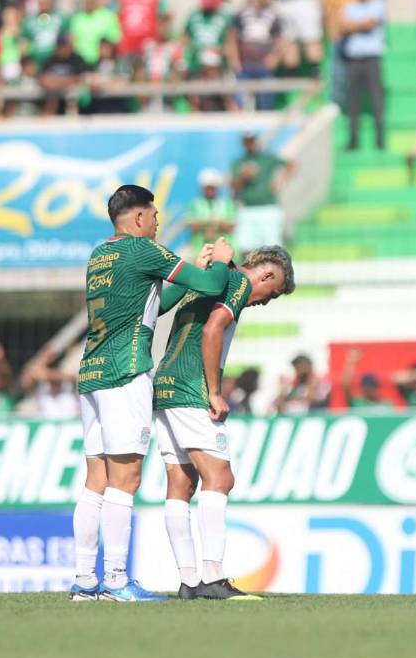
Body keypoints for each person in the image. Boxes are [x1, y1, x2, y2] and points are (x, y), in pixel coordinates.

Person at [72, 184, 234, 603]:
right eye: (156, 215)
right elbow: (212, 285)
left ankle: (85, 582)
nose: (159, 222)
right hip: (126, 373)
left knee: (95, 482)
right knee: (125, 480)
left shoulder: (100, 254)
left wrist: (193, 270)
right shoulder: (144, 250)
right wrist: (220, 261)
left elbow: (151, 305)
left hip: (90, 372)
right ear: (139, 218)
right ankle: (117, 581)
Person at [155, 244, 294, 601]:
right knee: (220, 478)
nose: (264, 302)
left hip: (165, 386)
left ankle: (188, 581)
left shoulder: (208, 279)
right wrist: (215, 392)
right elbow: (212, 330)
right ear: (265, 275)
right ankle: (213, 577)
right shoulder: (238, 283)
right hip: (191, 389)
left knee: (181, 484)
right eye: (271, 294)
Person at [339, 0, 385, 152]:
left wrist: (354, 25)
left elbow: (369, 24)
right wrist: (359, 25)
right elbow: (342, 27)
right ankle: (353, 139)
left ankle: (380, 139)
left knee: (376, 99)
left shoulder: (378, 4)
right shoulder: (350, 7)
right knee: (353, 101)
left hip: (372, 57)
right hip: (355, 58)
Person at [230, 131, 294, 254]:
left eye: (252, 141)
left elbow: (291, 164)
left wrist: (281, 181)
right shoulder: (239, 162)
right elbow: (234, 187)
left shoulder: (267, 158)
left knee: (272, 249)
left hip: (268, 207)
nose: (250, 144)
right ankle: (248, 273)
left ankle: (272, 273)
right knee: (245, 248)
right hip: (248, 208)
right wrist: (243, 177)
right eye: (247, 142)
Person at [230, 0, 283, 111]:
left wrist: (274, 58)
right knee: (241, 101)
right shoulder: (242, 14)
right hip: (245, 66)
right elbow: (232, 38)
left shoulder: (273, 16)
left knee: (266, 101)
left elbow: (280, 40)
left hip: (263, 66)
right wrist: (235, 61)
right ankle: (245, 130)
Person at [187, 168, 236, 254]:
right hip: (200, 251)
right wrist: (217, 223)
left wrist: (204, 224)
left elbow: (230, 227)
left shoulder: (227, 203)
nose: (210, 190)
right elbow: (193, 226)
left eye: (212, 187)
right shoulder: (195, 204)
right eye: (207, 187)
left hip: (225, 252)